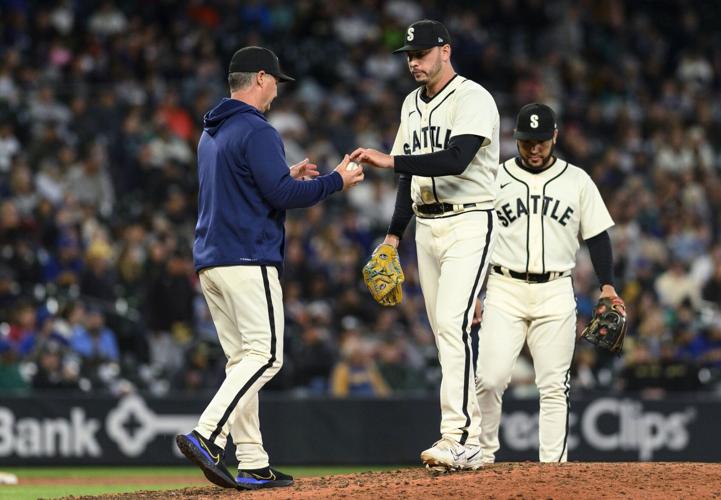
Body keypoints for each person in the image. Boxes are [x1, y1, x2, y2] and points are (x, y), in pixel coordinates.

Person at [175, 46, 364, 491]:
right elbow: (282, 197)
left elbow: (253, 185)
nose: (277, 91)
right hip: (247, 257)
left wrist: (284, 174)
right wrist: (336, 179)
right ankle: (207, 435)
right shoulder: (257, 129)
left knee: (242, 361)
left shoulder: (212, 131)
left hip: (212, 261)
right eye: (275, 81)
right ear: (260, 78)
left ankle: (254, 461)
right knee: (267, 355)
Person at [351, 19, 500, 471]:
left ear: (445, 51)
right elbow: (409, 177)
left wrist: (389, 157)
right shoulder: (411, 105)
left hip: (470, 220)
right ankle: (471, 437)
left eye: (420, 53)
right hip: (426, 228)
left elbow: (456, 159)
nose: (413, 62)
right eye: (408, 56)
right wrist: (394, 236)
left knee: (453, 326)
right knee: (444, 335)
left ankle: (457, 436)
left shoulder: (474, 98)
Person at [474, 103, 625, 463]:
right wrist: (474, 290)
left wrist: (608, 285)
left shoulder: (577, 180)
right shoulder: (496, 177)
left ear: (555, 137)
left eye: (542, 141)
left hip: (556, 289)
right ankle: (480, 457)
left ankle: (552, 472)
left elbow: (598, 237)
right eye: (528, 142)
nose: (535, 149)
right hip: (503, 287)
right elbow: (477, 235)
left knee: (554, 386)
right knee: (490, 379)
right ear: (516, 139)